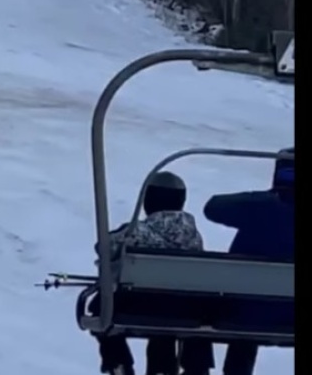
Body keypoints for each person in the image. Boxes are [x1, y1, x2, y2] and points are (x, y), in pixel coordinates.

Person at [90, 171, 214, 375]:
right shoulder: (193, 236)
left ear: (149, 199)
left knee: (100, 305)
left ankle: (118, 361)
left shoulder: (136, 232)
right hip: (186, 309)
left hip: (141, 305)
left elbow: (103, 247)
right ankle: (191, 368)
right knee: (173, 314)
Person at [203, 147, 294, 375]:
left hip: (243, 309)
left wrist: (264, 198)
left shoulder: (260, 207)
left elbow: (213, 207)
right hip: (289, 311)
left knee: (243, 293)